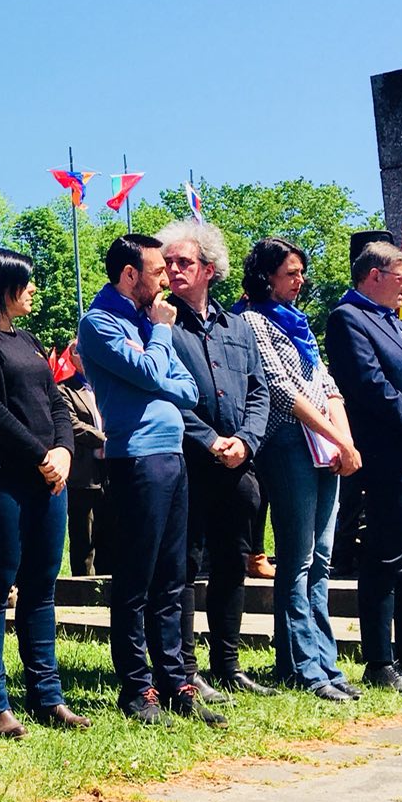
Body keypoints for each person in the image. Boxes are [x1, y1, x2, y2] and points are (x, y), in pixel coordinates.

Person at [77, 235, 220, 725]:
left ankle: (177, 680)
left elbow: (188, 387)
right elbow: (146, 368)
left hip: (172, 456)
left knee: (172, 577)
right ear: (129, 275)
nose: (166, 280)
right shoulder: (99, 323)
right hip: (136, 458)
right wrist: (158, 340)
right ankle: (138, 688)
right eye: (157, 271)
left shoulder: (145, 321)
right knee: (136, 580)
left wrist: (155, 362)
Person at [0, 249, 88, 737]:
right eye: (25, 282)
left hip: (48, 479)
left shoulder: (27, 340)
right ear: (0, 286)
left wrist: (64, 453)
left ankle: (47, 696)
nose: (33, 290)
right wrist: (40, 455)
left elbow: (54, 402)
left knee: (41, 587)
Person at [235, 237, 362, 701]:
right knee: (299, 558)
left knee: (323, 558)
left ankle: (319, 662)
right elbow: (283, 389)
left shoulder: (300, 325)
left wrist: (344, 442)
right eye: (290, 273)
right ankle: (308, 669)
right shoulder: (252, 320)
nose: (300, 280)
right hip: (288, 442)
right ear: (266, 277)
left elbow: (327, 384)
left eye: (301, 272)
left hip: (325, 441)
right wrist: (338, 439)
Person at [159, 222, 273, 699]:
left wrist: (245, 441)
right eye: (167, 263)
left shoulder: (238, 326)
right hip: (190, 462)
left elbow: (260, 392)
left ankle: (227, 663)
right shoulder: (161, 321)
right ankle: (185, 672)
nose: (172, 270)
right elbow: (164, 386)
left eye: (183, 262)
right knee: (185, 567)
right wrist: (209, 440)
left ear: (209, 268)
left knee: (232, 561)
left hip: (239, 465)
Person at [325, 241, 402, 696]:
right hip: (391, 459)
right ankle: (379, 661)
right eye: (401, 276)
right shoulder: (348, 319)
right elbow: (371, 386)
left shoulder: (401, 326)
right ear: (374, 276)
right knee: (386, 559)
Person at [55, 341, 105, 576]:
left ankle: (109, 584)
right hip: (84, 473)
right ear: (72, 357)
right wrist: (105, 439)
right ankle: (84, 586)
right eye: (79, 351)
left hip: (111, 470)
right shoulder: (64, 389)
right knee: (83, 534)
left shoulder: (106, 386)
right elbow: (72, 425)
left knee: (111, 532)